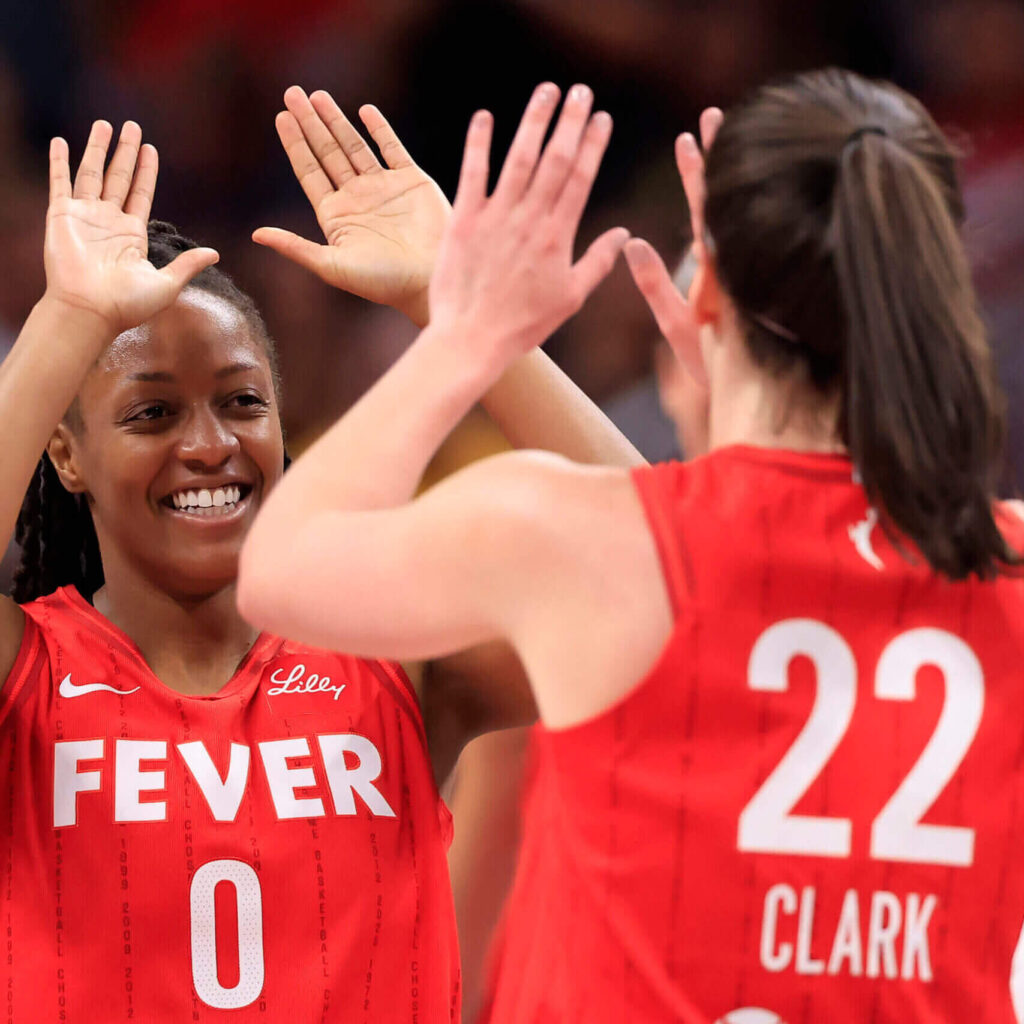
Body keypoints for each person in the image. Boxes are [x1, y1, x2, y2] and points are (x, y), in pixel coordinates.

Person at [239, 68, 1024, 1022]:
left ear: (706, 294)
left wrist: (467, 332)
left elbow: (279, 568)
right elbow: (716, 561)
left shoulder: (591, 544)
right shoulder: (1008, 556)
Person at [0, 86, 640, 1021]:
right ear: (66, 455)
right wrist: (65, 321)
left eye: (242, 402)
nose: (209, 444)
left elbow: (675, 572)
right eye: (152, 413)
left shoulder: (393, 655)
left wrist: (457, 315)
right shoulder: (28, 672)